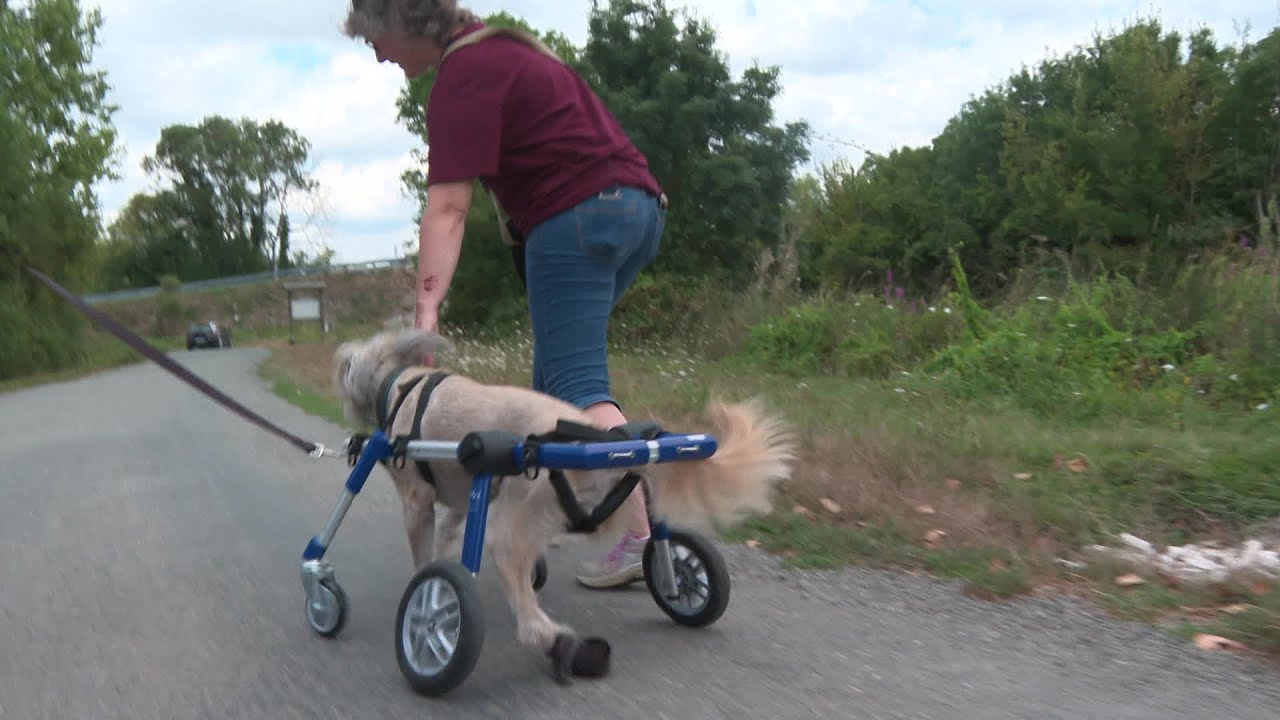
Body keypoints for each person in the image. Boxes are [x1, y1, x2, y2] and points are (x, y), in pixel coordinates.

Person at [343, 0, 667, 589]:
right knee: (553, 387)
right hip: (638, 209)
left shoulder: (462, 77)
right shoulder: (507, 48)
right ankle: (547, 523)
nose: (378, 52)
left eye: (375, 38)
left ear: (402, 22)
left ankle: (637, 537)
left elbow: (447, 208)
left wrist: (426, 311)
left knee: (575, 387)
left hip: (577, 215)